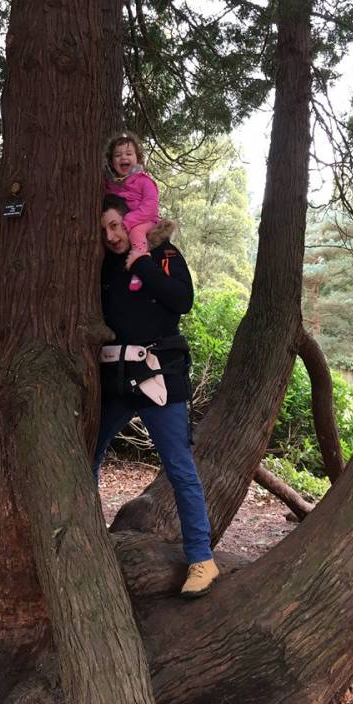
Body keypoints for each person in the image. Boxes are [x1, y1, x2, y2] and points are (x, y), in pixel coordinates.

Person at [94, 193, 219, 597]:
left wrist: (142, 263)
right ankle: (88, 541)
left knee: (180, 468)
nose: (111, 236)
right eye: (104, 230)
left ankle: (201, 559)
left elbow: (182, 300)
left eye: (116, 226)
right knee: (86, 458)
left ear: (130, 222)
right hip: (114, 379)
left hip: (158, 375)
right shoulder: (101, 265)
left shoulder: (164, 255)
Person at [104, 131, 158, 292]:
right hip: (128, 222)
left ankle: (139, 267)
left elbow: (150, 206)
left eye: (129, 154)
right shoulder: (113, 183)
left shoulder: (144, 181)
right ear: (112, 162)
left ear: (137, 159)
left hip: (146, 220)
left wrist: (130, 220)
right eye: (118, 155)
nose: (123, 157)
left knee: (136, 232)